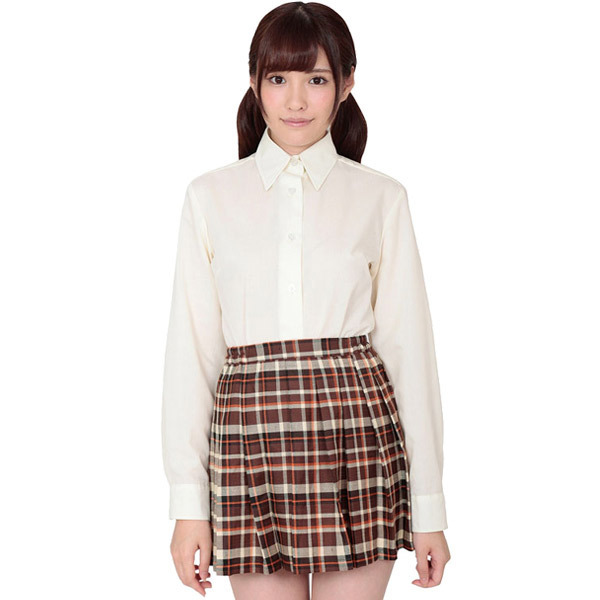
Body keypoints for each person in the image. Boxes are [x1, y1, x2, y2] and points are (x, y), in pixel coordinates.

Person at [161, 2, 451, 598]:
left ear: (346, 84)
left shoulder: (381, 198)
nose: (295, 100)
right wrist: (187, 505)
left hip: (357, 440)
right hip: (248, 446)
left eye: (316, 79)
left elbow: (410, 354)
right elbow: (192, 356)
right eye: (278, 78)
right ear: (254, 83)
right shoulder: (209, 197)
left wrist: (430, 508)